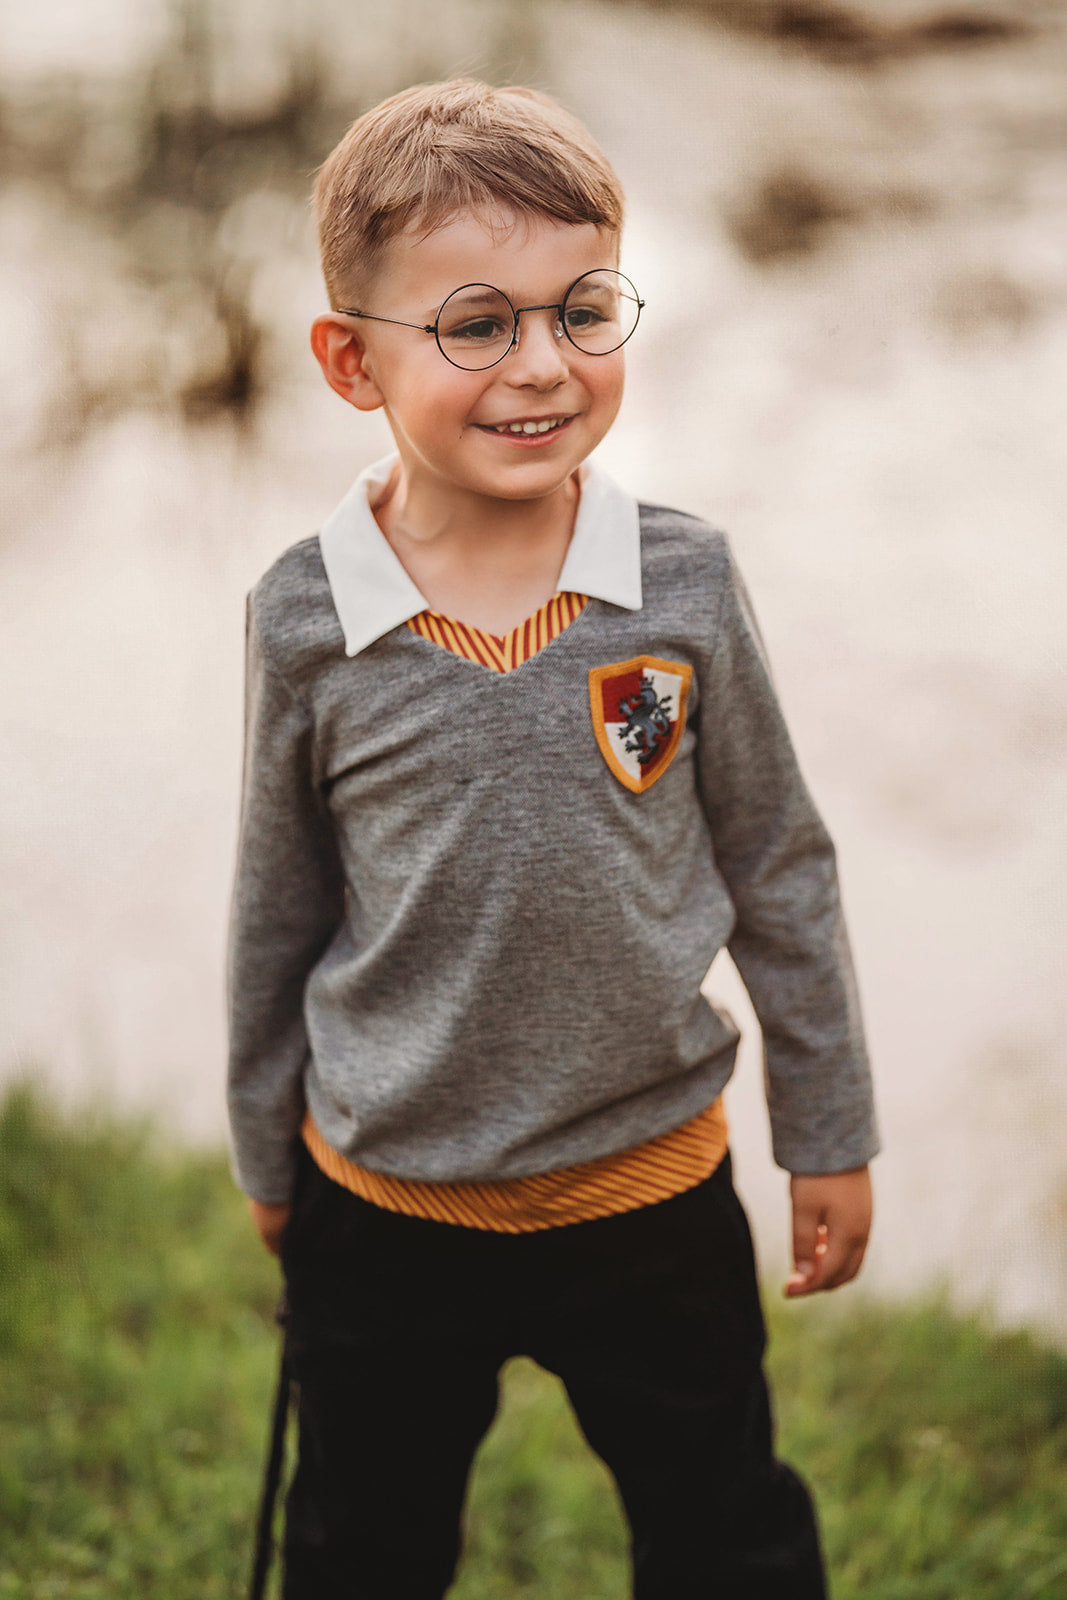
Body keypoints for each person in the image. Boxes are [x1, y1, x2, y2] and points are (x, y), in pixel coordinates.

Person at [226, 77, 879, 1600]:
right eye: (476, 325)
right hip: (383, 1203)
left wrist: (827, 1126)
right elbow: (279, 906)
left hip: (649, 1188)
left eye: (583, 310)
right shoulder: (306, 616)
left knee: (728, 1539)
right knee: (360, 1552)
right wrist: (272, 1151)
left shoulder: (685, 586)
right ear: (349, 358)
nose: (544, 365)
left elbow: (781, 863)